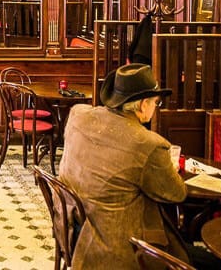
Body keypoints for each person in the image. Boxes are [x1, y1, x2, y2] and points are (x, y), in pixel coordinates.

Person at [59, 63, 187, 269]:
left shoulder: (78, 115)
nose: (156, 107)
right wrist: (169, 168)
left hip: (70, 228)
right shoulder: (148, 144)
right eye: (156, 102)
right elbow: (176, 194)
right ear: (144, 104)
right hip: (117, 247)